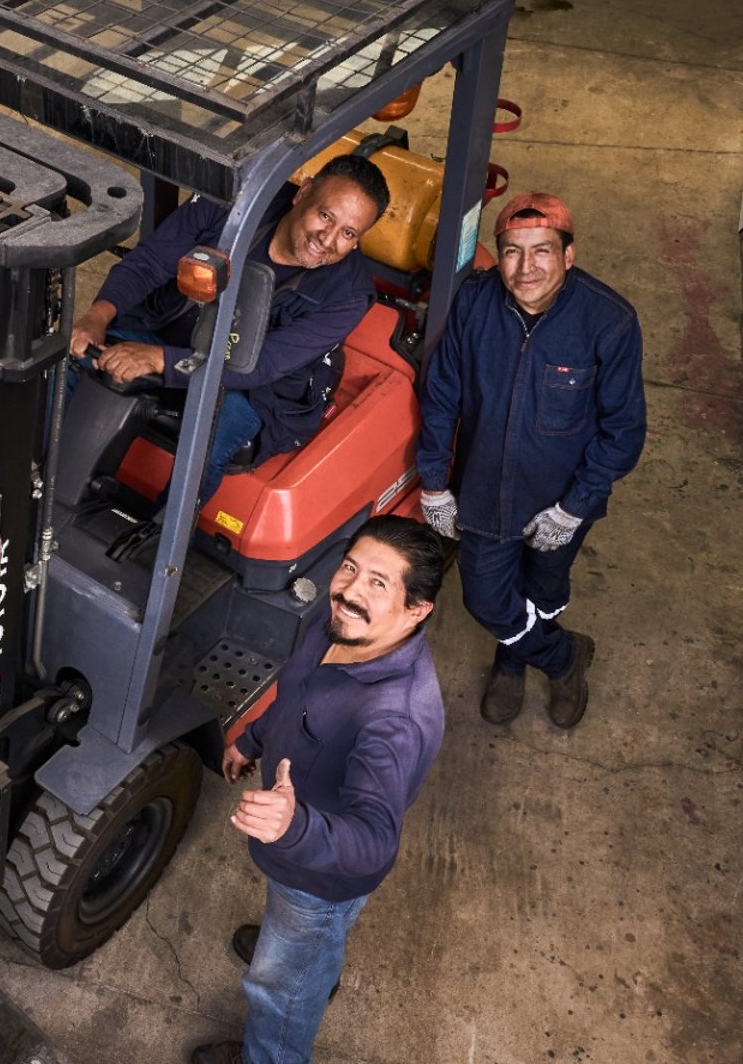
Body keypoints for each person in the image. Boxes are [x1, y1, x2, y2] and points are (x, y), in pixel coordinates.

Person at [189, 514, 446, 1064]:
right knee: (302, 951)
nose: (349, 592)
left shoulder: (394, 718)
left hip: (319, 877)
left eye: (378, 582)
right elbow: (296, 697)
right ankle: (308, 961)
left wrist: (294, 825)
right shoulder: (339, 628)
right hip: (298, 854)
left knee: (277, 993)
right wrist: (253, 739)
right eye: (350, 567)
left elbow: (374, 840)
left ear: (416, 609)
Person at [414, 192, 646, 729]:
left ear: (569, 255)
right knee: (485, 599)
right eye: (512, 252)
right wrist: (433, 482)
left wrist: (574, 507)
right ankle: (563, 658)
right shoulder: (475, 303)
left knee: (545, 588)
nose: (525, 269)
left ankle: (513, 659)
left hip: (559, 495)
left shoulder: (609, 321)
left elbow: (623, 431)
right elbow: (442, 395)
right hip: (483, 491)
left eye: (542, 251)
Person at [67, 155, 388, 504]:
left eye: (348, 233)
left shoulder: (348, 296)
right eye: (325, 216)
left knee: (209, 441)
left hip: (255, 390)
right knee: (75, 364)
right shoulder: (233, 202)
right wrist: (97, 316)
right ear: (303, 193)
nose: (327, 239)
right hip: (170, 331)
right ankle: (42, 485)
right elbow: (150, 262)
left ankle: (162, 531)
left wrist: (160, 360)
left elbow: (262, 366)